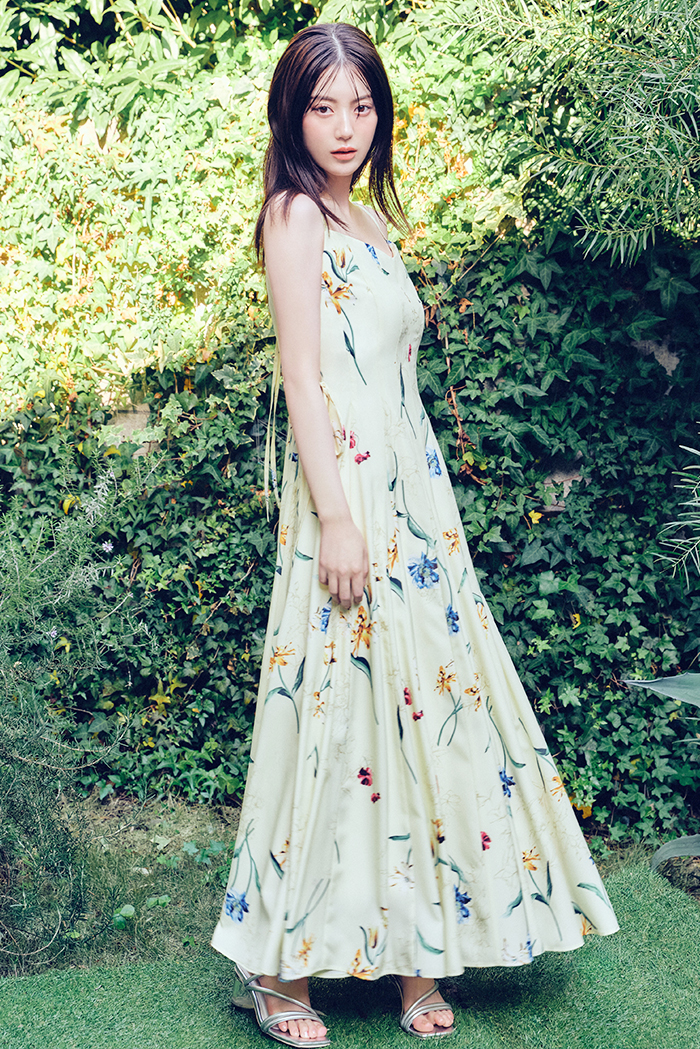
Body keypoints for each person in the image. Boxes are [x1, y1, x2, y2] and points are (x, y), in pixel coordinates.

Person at [211, 21, 619, 1046]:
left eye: (361, 106)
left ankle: (417, 960)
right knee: (334, 711)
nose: (344, 126)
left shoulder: (369, 219)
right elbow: (303, 377)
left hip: (414, 506)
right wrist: (336, 517)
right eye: (322, 106)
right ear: (292, 115)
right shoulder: (294, 215)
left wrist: (420, 514)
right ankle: (277, 972)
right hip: (346, 501)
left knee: (423, 713)